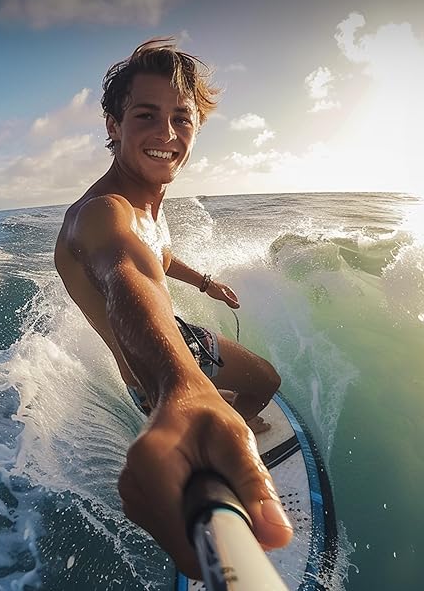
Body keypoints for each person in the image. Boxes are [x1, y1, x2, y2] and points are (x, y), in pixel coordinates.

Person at [54, 38, 292, 579]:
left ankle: (228, 418)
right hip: (157, 364)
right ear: (113, 125)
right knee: (258, 385)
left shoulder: (145, 202)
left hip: (176, 337)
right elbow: (126, 270)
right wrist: (182, 387)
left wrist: (206, 282)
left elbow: (157, 255)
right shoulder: (102, 213)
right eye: (146, 115)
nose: (166, 133)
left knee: (263, 381)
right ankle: (221, 433)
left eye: (181, 119)